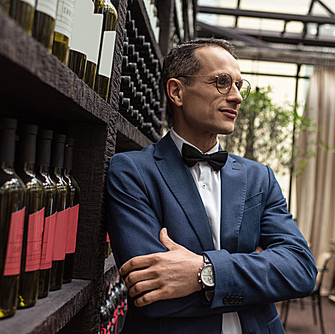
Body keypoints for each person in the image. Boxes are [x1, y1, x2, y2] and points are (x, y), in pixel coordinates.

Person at [106, 38, 317, 334]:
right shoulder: (131, 172)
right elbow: (152, 296)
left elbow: (299, 270)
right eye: (222, 82)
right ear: (177, 92)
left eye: (239, 86)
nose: (237, 97)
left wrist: (202, 273)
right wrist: (258, 277)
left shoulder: (260, 178)